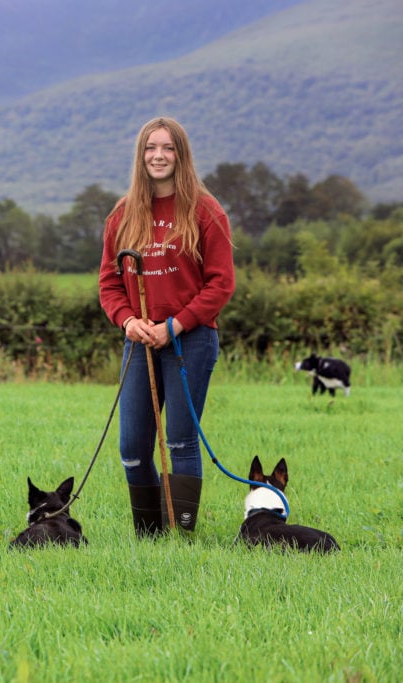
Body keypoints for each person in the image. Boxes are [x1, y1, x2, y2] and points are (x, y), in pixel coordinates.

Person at [98, 117, 235, 536]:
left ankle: (183, 534)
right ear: (141, 155)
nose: (158, 156)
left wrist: (174, 325)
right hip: (139, 341)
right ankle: (151, 534)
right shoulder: (122, 215)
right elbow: (109, 283)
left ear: (181, 155)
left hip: (190, 340)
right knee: (132, 448)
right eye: (150, 148)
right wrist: (128, 320)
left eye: (168, 148)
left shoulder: (206, 211)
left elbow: (220, 284)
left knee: (179, 440)